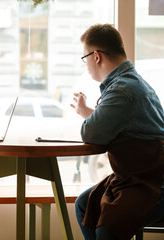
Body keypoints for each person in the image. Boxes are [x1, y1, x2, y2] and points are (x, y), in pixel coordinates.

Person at [71, 23, 164, 240]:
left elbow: (91, 134)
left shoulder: (122, 90)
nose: (86, 65)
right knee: (85, 205)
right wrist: (87, 111)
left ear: (96, 56)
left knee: (106, 226)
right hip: (138, 176)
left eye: (85, 59)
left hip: (150, 184)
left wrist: (86, 113)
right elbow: (113, 125)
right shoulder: (133, 83)